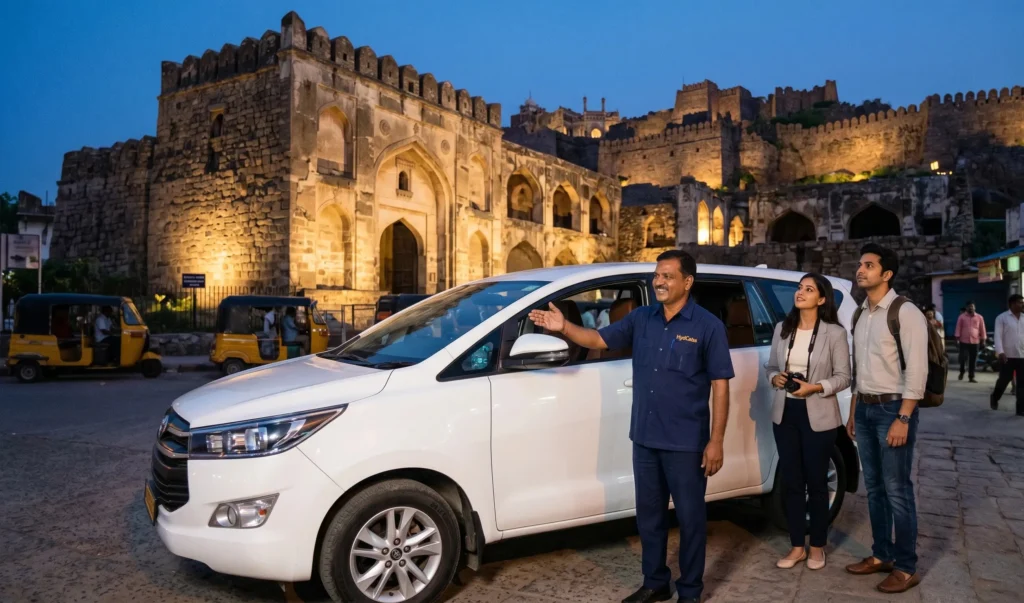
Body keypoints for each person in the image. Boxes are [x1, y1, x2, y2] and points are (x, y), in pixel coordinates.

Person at [528, 249, 733, 603]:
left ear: (687, 282)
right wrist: (564, 327)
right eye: (657, 275)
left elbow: (721, 385)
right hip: (645, 438)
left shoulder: (707, 326)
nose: (659, 281)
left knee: (691, 519)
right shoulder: (642, 318)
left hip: (686, 442)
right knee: (649, 517)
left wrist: (716, 441)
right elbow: (599, 340)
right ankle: (655, 583)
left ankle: (690, 591)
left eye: (668, 276)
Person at [845, 243, 927, 594]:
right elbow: (859, 370)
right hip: (864, 408)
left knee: (897, 489)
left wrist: (903, 418)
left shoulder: (905, 312)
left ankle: (906, 566)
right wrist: (853, 411)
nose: (860, 270)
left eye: (869, 265)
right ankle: (881, 555)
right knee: (874, 488)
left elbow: (918, 371)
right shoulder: (861, 313)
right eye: (860, 264)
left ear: (887, 274)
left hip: (894, 409)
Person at [765, 273, 851, 571]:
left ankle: (817, 547)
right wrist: (774, 377)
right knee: (791, 482)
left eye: (809, 289)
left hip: (819, 415)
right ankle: (797, 546)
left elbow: (844, 377)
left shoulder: (834, 333)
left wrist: (815, 387)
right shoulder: (782, 329)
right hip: (785, 413)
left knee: (816, 482)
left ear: (822, 299)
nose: (800, 293)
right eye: (800, 288)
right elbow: (772, 366)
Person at [991, 294, 1024, 416]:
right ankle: (995, 397)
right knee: (1004, 380)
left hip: (1022, 356)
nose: (1022, 304)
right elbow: (998, 336)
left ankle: (1020, 409)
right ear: (1012, 304)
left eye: (1022, 302)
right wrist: (1000, 352)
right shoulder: (1002, 318)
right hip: (1007, 356)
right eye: (1019, 302)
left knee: (1022, 384)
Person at [954, 301, 985, 382]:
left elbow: (982, 328)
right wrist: (957, 338)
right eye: (969, 306)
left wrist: (983, 339)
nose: (971, 308)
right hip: (963, 341)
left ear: (975, 307)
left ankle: (971, 376)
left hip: (975, 341)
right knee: (963, 358)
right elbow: (958, 327)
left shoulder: (979, 317)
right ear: (966, 308)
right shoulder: (962, 317)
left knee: (973, 359)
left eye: (972, 306)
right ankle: (962, 371)